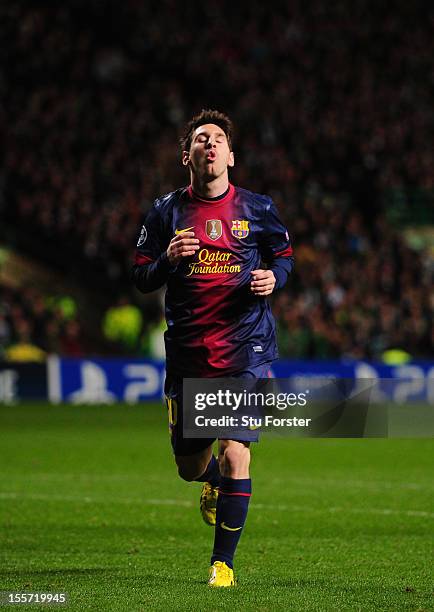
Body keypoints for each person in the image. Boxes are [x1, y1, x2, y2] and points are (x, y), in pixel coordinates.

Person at [131, 109, 293, 587]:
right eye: (201, 139)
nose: (210, 145)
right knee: (189, 466)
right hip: (189, 353)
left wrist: (272, 278)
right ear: (188, 156)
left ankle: (222, 564)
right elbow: (141, 277)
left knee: (236, 450)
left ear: (231, 156)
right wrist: (165, 261)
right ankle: (210, 485)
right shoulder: (164, 212)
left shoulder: (258, 208)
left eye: (218, 139)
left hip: (247, 348)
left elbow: (283, 255)